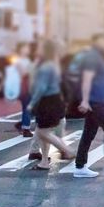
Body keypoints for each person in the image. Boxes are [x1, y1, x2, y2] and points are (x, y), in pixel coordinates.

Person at [72, 33, 104, 178]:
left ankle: (80, 167)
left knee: (89, 133)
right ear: (97, 41)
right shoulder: (92, 57)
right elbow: (87, 80)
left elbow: (98, 77)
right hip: (95, 102)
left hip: (97, 101)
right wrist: (85, 101)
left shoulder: (97, 57)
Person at [27, 39, 74, 170]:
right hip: (55, 100)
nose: (38, 49)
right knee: (44, 131)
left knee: (42, 132)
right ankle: (44, 162)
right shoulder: (53, 64)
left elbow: (40, 88)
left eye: (41, 47)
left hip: (47, 102)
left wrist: (32, 103)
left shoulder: (46, 66)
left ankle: (66, 149)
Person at [13, 43, 34, 138]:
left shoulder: (27, 60)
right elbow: (23, 73)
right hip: (24, 87)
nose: (28, 50)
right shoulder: (18, 61)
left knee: (28, 108)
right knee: (27, 108)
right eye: (25, 48)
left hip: (28, 86)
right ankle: (26, 129)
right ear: (21, 50)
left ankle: (22, 124)